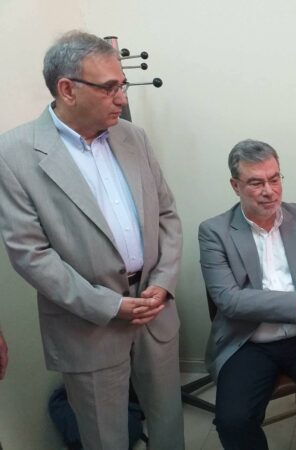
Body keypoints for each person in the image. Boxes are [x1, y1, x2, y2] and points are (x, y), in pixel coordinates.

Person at [0, 31, 183, 449]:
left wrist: (163, 282)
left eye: (122, 84)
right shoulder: (13, 154)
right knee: (105, 437)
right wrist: (109, 305)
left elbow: (168, 215)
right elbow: (31, 255)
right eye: (110, 87)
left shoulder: (134, 137)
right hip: (88, 325)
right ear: (67, 89)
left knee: (168, 423)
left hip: (154, 310)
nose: (122, 97)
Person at [199, 139, 296, 450]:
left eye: (274, 179)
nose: (269, 191)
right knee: (233, 421)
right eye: (256, 183)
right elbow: (230, 300)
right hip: (248, 342)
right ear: (235, 185)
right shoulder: (214, 231)